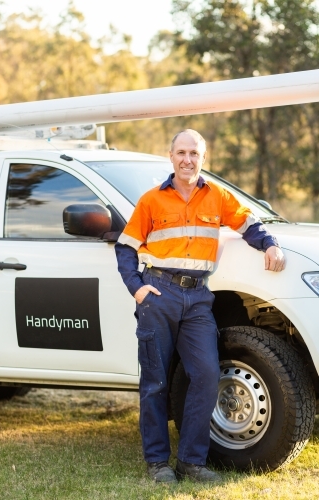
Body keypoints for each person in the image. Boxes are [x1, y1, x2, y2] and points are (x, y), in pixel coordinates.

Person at [115, 129, 285, 484]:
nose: (187, 159)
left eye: (194, 153)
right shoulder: (151, 201)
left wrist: (269, 245)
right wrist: (138, 288)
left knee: (207, 375)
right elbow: (126, 247)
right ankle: (158, 463)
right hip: (159, 293)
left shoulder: (218, 196)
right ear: (171, 156)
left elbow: (248, 224)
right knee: (155, 382)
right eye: (181, 152)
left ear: (202, 158)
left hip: (197, 299)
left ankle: (191, 462)